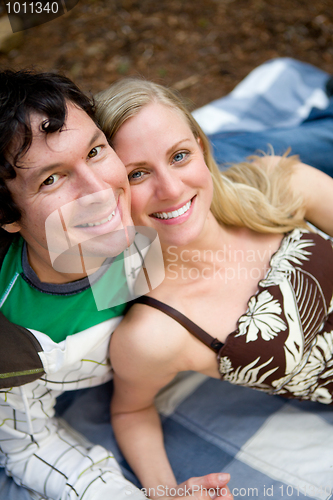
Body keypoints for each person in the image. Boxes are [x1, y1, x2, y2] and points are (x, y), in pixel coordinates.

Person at [0, 69, 233, 500]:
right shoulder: (11, 334)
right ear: (8, 216)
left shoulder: (152, 205)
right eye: (51, 179)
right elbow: (32, 446)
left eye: (94, 151)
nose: (100, 190)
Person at [95, 78, 333, 498]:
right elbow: (131, 410)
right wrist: (166, 492)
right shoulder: (155, 334)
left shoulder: (280, 181)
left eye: (179, 155)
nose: (169, 189)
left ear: (202, 150)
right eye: (137, 174)